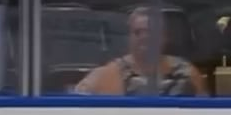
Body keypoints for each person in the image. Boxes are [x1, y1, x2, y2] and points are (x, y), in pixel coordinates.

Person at [74, 7, 206, 96]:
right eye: (138, 32)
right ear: (129, 37)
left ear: (165, 37)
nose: (145, 38)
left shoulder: (188, 74)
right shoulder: (106, 75)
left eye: (151, 32)